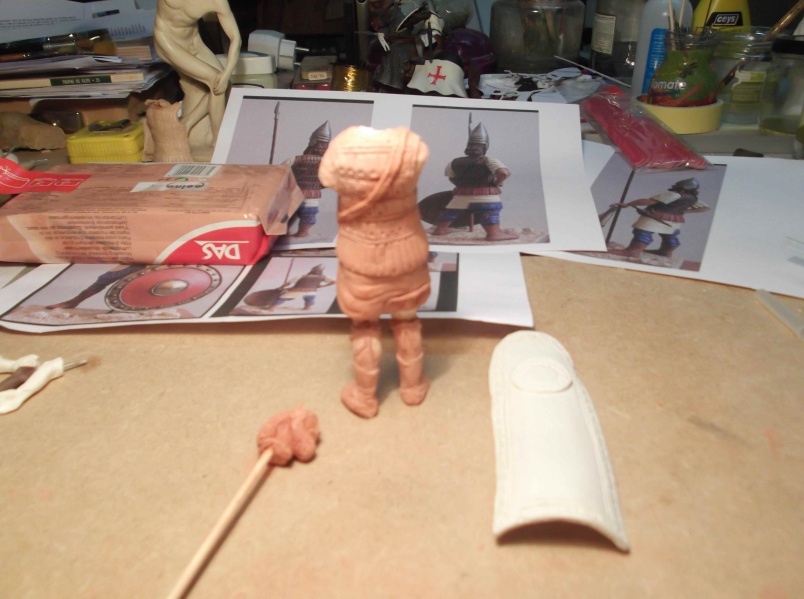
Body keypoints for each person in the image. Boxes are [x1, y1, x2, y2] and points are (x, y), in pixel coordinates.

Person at [318, 126, 431, 418]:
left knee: (365, 327)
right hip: (407, 256)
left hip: (361, 262)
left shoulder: (343, 146)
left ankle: (365, 396)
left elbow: (326, 178)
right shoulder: (411, 146)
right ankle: (413, 387)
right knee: (407, 321)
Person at [153, 0, 241, 149]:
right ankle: (218, 139)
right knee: (215, 79)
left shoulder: (217, 2)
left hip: (193, 41)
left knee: (222, 84)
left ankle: (187, 124)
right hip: (167, 40)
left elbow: (235, 38)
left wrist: (227, 73)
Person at [431, 121, 519, 241]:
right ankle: (494, 233)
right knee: (490, 210)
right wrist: (496, 183)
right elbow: (504, 173)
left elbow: (451, 177)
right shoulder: (489, 161)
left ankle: (440, 230)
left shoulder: (454, 161)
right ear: (484, 147)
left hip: (461, 195)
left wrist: (461, 187)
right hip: (485, 195)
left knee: (451, 211)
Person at [608, 178, 710, 259]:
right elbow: (704, 207)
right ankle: (665, 252)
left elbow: (649, 202)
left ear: (682, 188)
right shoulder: (693, 198)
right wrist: (682, 211)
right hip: (676, 220)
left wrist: (628, 204)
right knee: (670, 235)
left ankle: (633, 251)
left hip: (655, 217)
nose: (674, 186)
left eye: (677, 185)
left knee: (643, 232)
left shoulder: (674, 194)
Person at [289, 122, 331, 238]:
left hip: (308, 194)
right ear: (314, 143)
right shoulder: (296, 159)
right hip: (294, 193)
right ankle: (294, 232)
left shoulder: (296, 159)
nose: (322, 147)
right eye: (321, 144)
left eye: (324, 145)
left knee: (308, 214)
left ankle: (302, 232)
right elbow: (281, 172)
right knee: (289, 214)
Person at [243, 264, 335, 311]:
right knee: (309, 299)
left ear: (312, 270)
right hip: (312, 291)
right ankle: (307, 308)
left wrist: (282, 286)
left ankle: (271, 308)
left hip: (297, 291)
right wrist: (322, 286)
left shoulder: (302, 276)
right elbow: (334, 281)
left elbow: (289, 282)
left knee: (282, 297)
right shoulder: (323, 277)